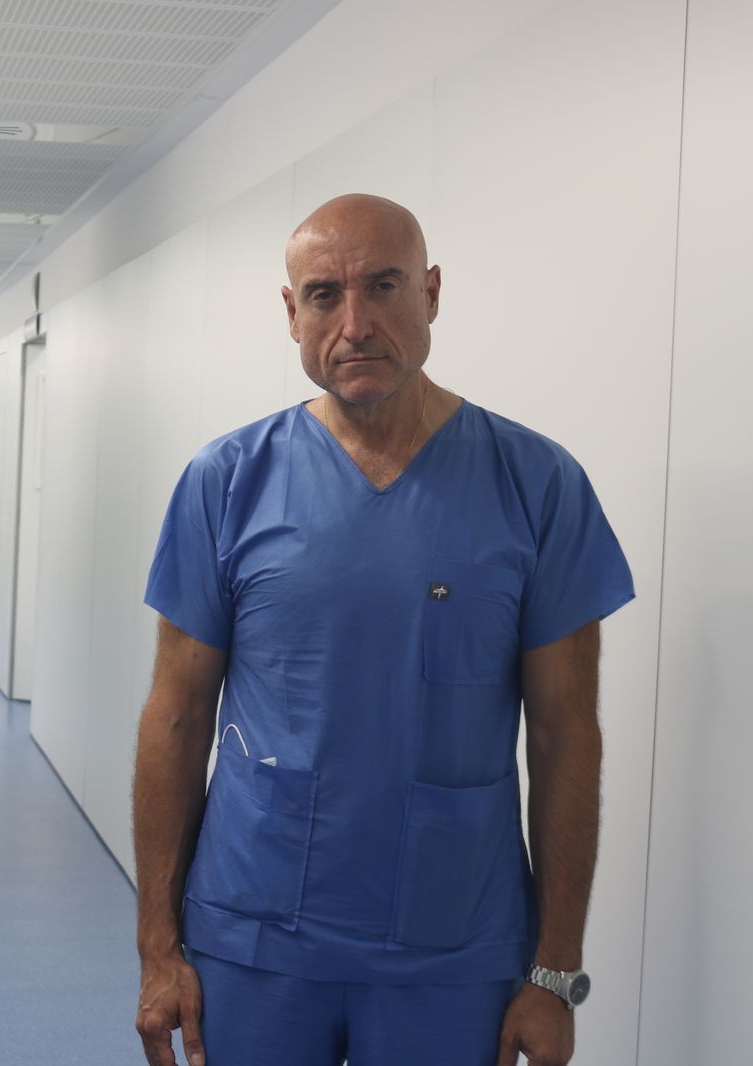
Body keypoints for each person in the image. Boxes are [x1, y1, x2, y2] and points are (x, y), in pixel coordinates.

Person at [132, 194, 633, 1066]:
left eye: (385, 286)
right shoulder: (227, 482)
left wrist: (554, 975)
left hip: (455, 951)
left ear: (432, 293)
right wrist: (156, 950)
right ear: (292, 315)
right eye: (324, 295)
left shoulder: (537, 485)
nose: (355, 323)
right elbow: (174, 720)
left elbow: (566, 738)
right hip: (253, 941)